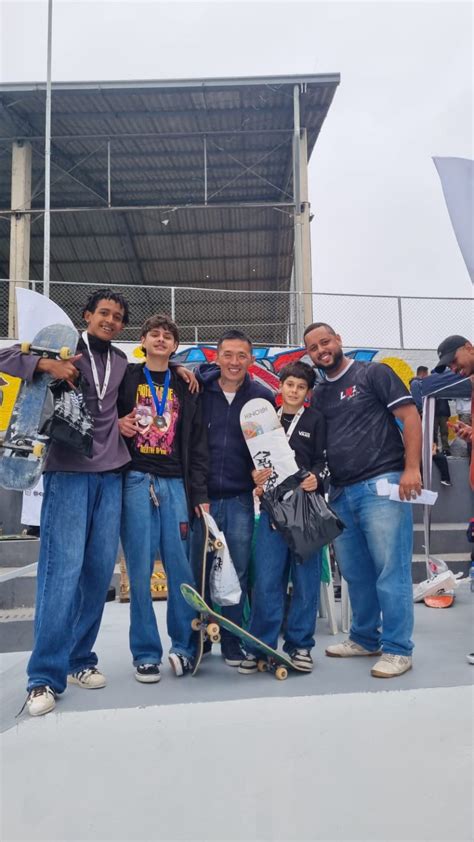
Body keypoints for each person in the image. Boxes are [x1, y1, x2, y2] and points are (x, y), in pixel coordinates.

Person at [0, 289, 131, 716]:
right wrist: (44, 364)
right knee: (60, 574)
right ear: (87, 315)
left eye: (117, 316)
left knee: (96, 576)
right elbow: (4, 359)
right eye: (103, 313)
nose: (110, 320)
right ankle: (43, 678)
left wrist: (189, 374)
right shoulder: (64, 345)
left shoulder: (123, 362)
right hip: (68, 474)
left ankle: (79, 660)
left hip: (111, 476)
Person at [304, 322, 422, 678]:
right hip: (340, 492)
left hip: (381, 484)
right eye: (313, 347)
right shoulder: (321, 394)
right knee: (356, 575)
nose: (321, 350)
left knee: (391, 570)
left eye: (325, 341)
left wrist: (411, 469)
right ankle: (364, 638)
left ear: (339, 340)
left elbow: (409, 416)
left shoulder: (374, 373)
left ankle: (399, 649)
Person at [117, 314, 208, 681]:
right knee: (139, 571)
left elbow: (198, 442)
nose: (160, 339)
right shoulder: (127, 377)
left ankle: (184, 647)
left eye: (167, 336)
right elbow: (102, 411)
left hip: (174, 483)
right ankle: (145, 653)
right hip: (136, 480)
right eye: (153, 333)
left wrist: (199, 494)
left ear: (174, 346)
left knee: (180, 569)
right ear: (142, 340)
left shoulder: (187, 385)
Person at [238, 361, 327, 674]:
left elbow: (324, 460)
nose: (294, 391)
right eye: (289, 384)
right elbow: (251, 462)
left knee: (305, 582)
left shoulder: (316, 420)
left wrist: (317, 476)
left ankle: (300, 645)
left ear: (308, 392)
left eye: (301, 387)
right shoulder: (262, 420)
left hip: (307, 511)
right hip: (273, 512)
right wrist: (255, 477)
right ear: (280, 386)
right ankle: (259, 646)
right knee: (266, 581)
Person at [194, 329, 274, 666]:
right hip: (202, 501)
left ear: (251, 360)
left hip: (240, 499)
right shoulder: (199, 391)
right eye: (228, 354)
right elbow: (191, 448)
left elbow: (267, 450)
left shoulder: (261, 398)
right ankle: (195, 642)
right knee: (199, 571)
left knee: (236, 572)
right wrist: (198, 493)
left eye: (242, 355)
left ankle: (231, 641)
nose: (234, 362)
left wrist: (262, 473)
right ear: (217, 356)